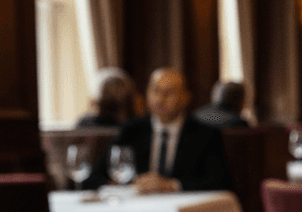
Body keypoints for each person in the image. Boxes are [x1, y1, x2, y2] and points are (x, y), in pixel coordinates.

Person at [86, 67, 230, 194]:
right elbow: (95, 177)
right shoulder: (131, 130)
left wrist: (172, 185)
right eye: (155, 90)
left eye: (169, 92)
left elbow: (219, 182)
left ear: (185, 98)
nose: (160, 99)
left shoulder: (205, 135)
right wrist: (129, 184)